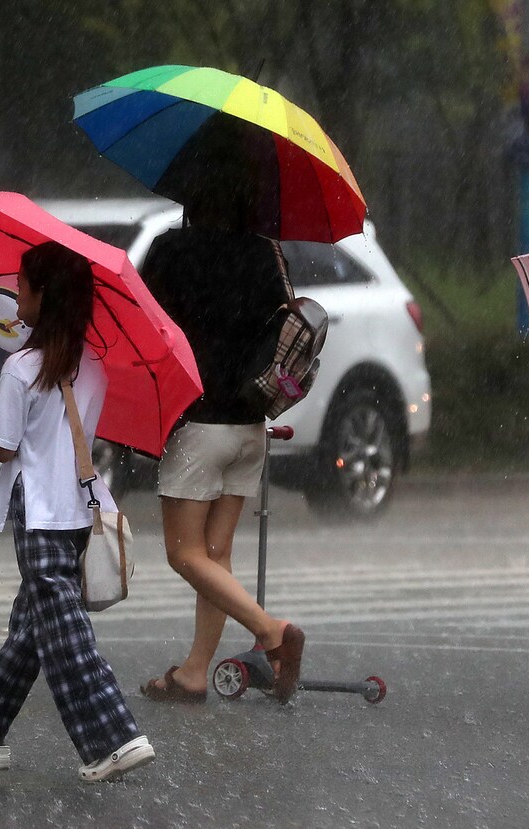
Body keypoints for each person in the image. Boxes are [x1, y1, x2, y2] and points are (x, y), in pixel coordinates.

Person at [0, 241, 155, 782]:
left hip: (36, 513)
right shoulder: (93, 366)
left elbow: (4, 447)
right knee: (32, 629)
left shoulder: (20, 368)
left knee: (63, 633)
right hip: (78, 508)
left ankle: (114, 739)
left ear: (43, 295)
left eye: (22, 285)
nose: (15, 294)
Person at [137, 166, 306, 705]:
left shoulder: (169, 252)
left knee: (183, 554)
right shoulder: (264, 253)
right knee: (215, 553)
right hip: (250, 422)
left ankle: (270, 630)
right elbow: (290, 321)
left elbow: (143, 326)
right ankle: (193, 672)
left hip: (198, 423)